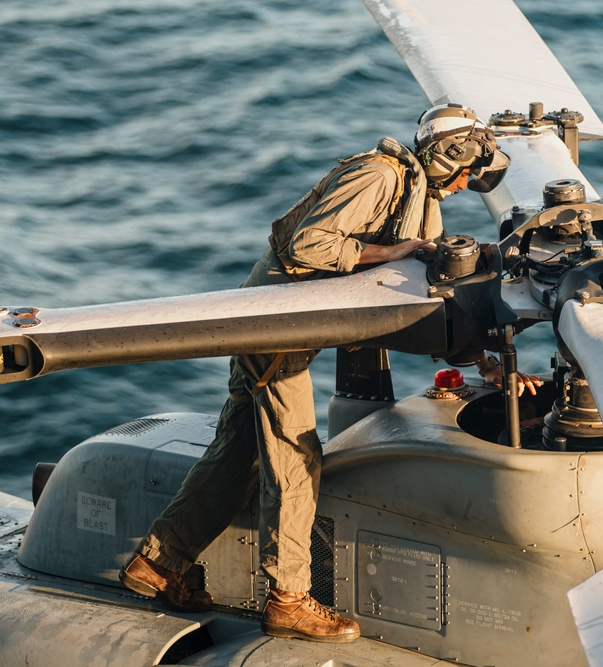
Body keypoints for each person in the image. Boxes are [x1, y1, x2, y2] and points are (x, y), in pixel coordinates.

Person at [118, 103, 540, 643]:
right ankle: (288, 599)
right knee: (294, 457)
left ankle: (158, 564)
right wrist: (396, 248)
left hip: (294, 328)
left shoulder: (419, 197)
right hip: (274, 328)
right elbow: (308, 246)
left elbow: (417, 285)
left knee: (239, 449)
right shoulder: (377, 175)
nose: (467, 185)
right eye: (466, 173)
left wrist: (485, 362)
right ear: (449, 156)